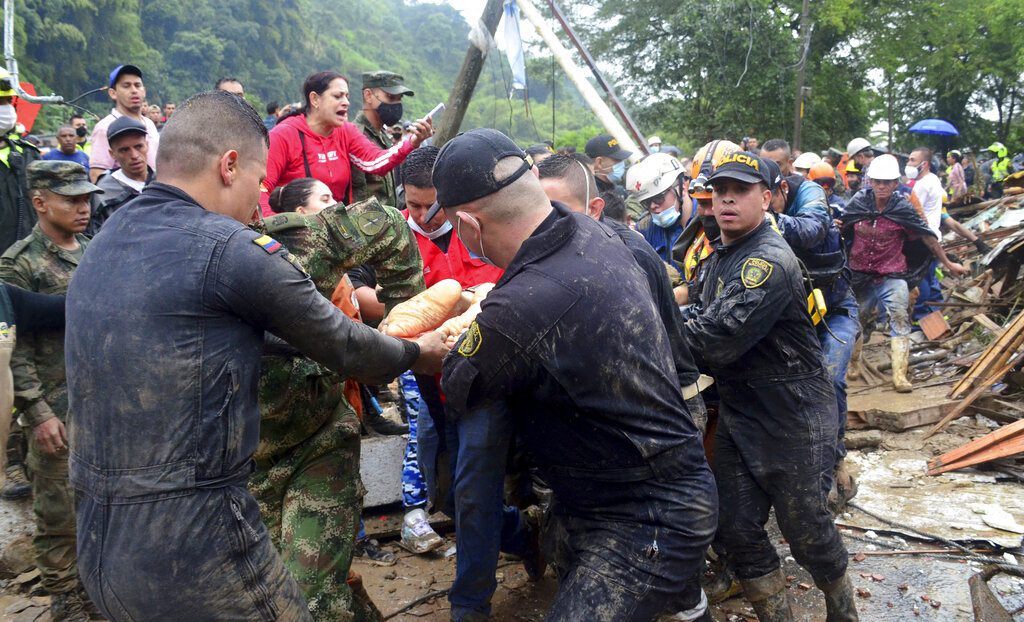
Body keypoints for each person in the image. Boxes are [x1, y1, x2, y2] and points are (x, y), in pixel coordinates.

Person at [64, 90, 447, 621]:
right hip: (200, 540)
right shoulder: (227, 248)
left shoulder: (107, 244)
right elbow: (342, 343)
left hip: (103, 545)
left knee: (318, 588)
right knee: (303, 606)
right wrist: (415, 351)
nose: (261, 192)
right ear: (229, 166)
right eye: (258, 177)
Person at [433, 128, 717, 621]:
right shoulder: (596, 233)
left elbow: (460, 382)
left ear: (467, 224)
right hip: (617, 491)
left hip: (644, 517)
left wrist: (412, 350)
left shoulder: (522, 304)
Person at [682, 152, 859, 621]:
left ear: (767, 197)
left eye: (740, 191)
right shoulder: (722, 254)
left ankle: (843, 609)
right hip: (744, 411)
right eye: (719, 192)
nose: (726, 200)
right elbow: (699, 315)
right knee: (737, 529)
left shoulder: (767, 261)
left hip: (793, 413)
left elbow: (714, 341)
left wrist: (651, 319)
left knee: (806, 531)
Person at [256, 176, 428, 620]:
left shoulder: (292, 239)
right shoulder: (158, 263)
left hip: (319, 437)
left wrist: (401, 315)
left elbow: (388, 224)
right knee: (273, 583)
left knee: (311, 593)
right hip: (246, 456)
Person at [0, 161, 104, 621]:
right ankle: (65, 596)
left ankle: (100, 586)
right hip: (55, 406)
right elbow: (11, 348)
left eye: (86, 199)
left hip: (101, 401)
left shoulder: (94, 250)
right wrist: (37, 412)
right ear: (40, 202)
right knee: (58, 508)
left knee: (102, 499)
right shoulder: (18, 263)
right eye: (72, 200)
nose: (83, 208)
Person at [537, 153, 708, 430]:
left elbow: (632, 350)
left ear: (594, 208)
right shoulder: (582, 245)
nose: (545, 223)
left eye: (558, 212)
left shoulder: (626, 255)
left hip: (663, 407)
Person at [764, 157, 860, 511]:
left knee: (831, 378)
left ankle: (835, 461)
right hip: (795, 317)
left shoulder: (812, 199)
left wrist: (766, 221)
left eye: (765, 198)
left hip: (835, 311)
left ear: (781, 190)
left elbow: (811, 229)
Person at [842, 154, 968, 393]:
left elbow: (926, 236)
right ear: (870, 180)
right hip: (860, 272)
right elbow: (843, 226)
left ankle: (900, 375)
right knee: (857, 319)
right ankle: (854, 364)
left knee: (900, 317)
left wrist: (948, 264)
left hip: (892, 273)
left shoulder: (901, 206)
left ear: (895, 183)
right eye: (877, 181)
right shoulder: (859, 201)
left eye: (887, 182)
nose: (881, 186)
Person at [260, 71, 432, 217]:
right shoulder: (284, 135)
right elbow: (260, 189)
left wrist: (412, 142)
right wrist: (277, 231)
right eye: (337, 96)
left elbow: (373, 162)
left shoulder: (346, 131)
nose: (346, 102)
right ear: (315, 99)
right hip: (295, 233)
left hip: (338, 232)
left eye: (347, 96)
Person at [671, 140, 740, 308]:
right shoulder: (696, 229)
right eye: (702, 204)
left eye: (715, 201)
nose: (709, 212)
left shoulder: (752, 240)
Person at [349, 71, 414, 206]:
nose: (396, 104)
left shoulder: (383, 136)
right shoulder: (355, 136)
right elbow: (359, 195)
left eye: (399, 98)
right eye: (390, 97)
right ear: (368, 95)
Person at [88, 64, 160, 182]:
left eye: (138, 85)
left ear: (144, 91)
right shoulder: (105, 127)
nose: (134, 90)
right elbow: (97, 176)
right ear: (113, 93)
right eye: (126, 86)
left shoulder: (149, 124)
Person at [628, 153, 695, 272]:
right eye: (646, 202)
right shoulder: (645, 229)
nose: (653, 206)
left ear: (683, 187)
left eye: (659, 198)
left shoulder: (706, 223)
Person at [88, 116, 154, 234]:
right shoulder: (103, 193)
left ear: (147, 145)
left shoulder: (165, 181)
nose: (134, 155)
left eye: (139, 146)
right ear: (112, 154)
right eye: (124, 150)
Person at [0, 68, 41, 254]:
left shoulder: (28, 154)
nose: (6, 109)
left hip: (28, 264)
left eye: (9, 101)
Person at [906, 147, 947, 322]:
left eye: (913, 160)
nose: (909, 163)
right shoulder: (934, 179)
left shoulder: (922, 185)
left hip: (923, 237)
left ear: (925, 164)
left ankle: (921, 318)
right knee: (930, 276)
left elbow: (912, 212)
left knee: (920, 279)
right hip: (933, 234)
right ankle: (936, 311)